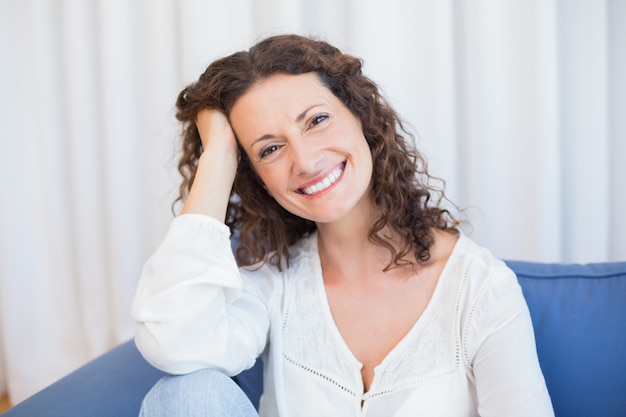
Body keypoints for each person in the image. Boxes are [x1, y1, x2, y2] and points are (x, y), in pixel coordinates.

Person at [131, 34, 554, 416]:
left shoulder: (480, 289)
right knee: (184, 395)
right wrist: (219, 158)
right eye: (271, 149)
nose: (306, 161)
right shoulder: (275, 285)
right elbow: (173, 341)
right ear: (256, 178)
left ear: (361, 116)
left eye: (316, 120)